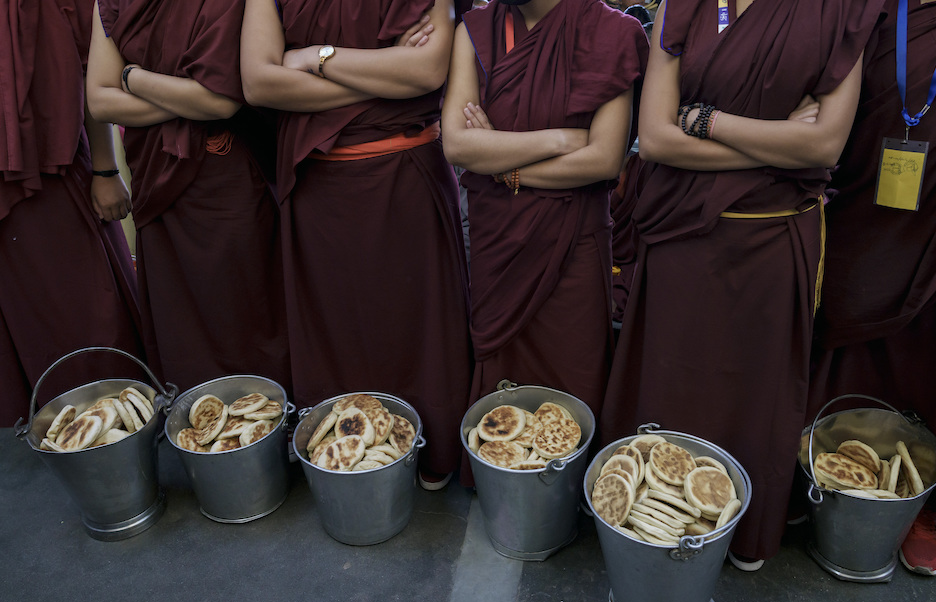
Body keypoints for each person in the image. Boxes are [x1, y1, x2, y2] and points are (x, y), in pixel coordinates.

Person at [601, 0, 884, 569]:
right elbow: (655, 138)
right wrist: (777, 142)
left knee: (755, 394)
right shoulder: (682, 7)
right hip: (682, 240)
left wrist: (706, 121)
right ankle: (649, 520)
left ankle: (745, 530)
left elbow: (825, 146)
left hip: (771, 243)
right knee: (672, 382)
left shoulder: (841, 11)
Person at [241, 0, 473, 488]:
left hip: (404, 177)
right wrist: (382, 71)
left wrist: (313, 57)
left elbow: (426, 72)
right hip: (319, 190)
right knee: (334, 331)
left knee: (414, 328)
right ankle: (339, 455)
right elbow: (259, 83)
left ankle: (430, 450)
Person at [808, 0, 936, 576]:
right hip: (862, 196)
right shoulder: (872, 9)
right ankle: (816, 467)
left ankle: (920, 500)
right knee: (843, 332)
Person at [441, 0, 648, 438]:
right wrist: (558, 139)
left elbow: (604, 160)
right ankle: (500, 480)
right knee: (502, 383)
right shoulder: (476, 29)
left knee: (572, 373)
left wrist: (502, 164)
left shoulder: (613, 34)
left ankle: (563, 489)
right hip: (498, 238)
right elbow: (458, 147)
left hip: (573, 242)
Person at [86, 0, 290, 395]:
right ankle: (193, 429)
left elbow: (221, 101)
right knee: (180, 318)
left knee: (249, 312)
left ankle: (267, 427)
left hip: (228, 181)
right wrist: (187, 98)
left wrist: (131, 78)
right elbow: (99, 101)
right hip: (158, 183)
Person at [0, 0, 144, 427]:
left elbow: (87, 67)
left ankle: (112, 435)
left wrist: (104, 169)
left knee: (86, 317)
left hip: (51, 173)